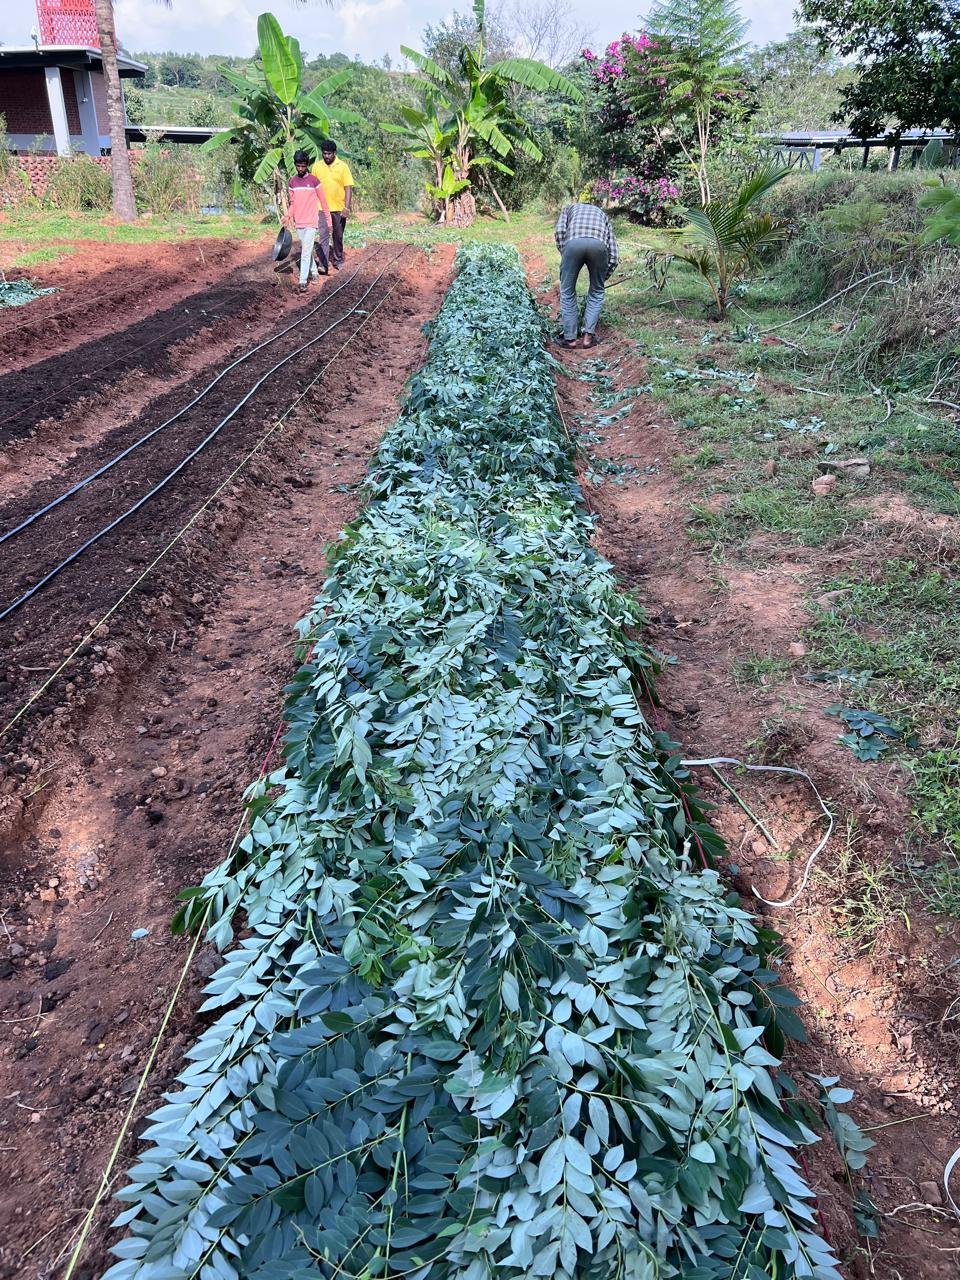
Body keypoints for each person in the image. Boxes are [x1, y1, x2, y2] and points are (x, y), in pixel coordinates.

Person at [554, 199, 619, 349]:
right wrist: (602, 278)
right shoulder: (602, 214)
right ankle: (588, 338)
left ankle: (569, 339)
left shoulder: (569, 208)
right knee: (596, 291)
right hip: (599, 245)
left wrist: (566, 253)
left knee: (567, 291)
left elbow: (559, 231)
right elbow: (614, 253)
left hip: (573, 244)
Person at [287, 150, 332, 293]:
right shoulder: (292, 182)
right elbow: (293, 203)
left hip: (312, 222)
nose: (300, 169)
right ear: (295, 165)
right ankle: (314, 272)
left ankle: (302, 281)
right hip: (299, 222)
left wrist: (328, 221)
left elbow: (324, 202)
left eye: (303, 166)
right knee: (307, 250)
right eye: (298, 166)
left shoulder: (314, 181)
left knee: (305, 252)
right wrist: (287, 216)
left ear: (307, 165)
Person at [311, 139, 354, 270]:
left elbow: (348, 187)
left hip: (339, 208)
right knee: (323, 235)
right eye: (324, 153)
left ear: (334, 153)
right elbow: (313, 187)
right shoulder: (317, 167)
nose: (327, 156)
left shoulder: (343, 166)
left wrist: (346, 207)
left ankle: (338, 260)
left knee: (338, 235)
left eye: (329, 154)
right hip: (321, 208)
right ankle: (324, 264)